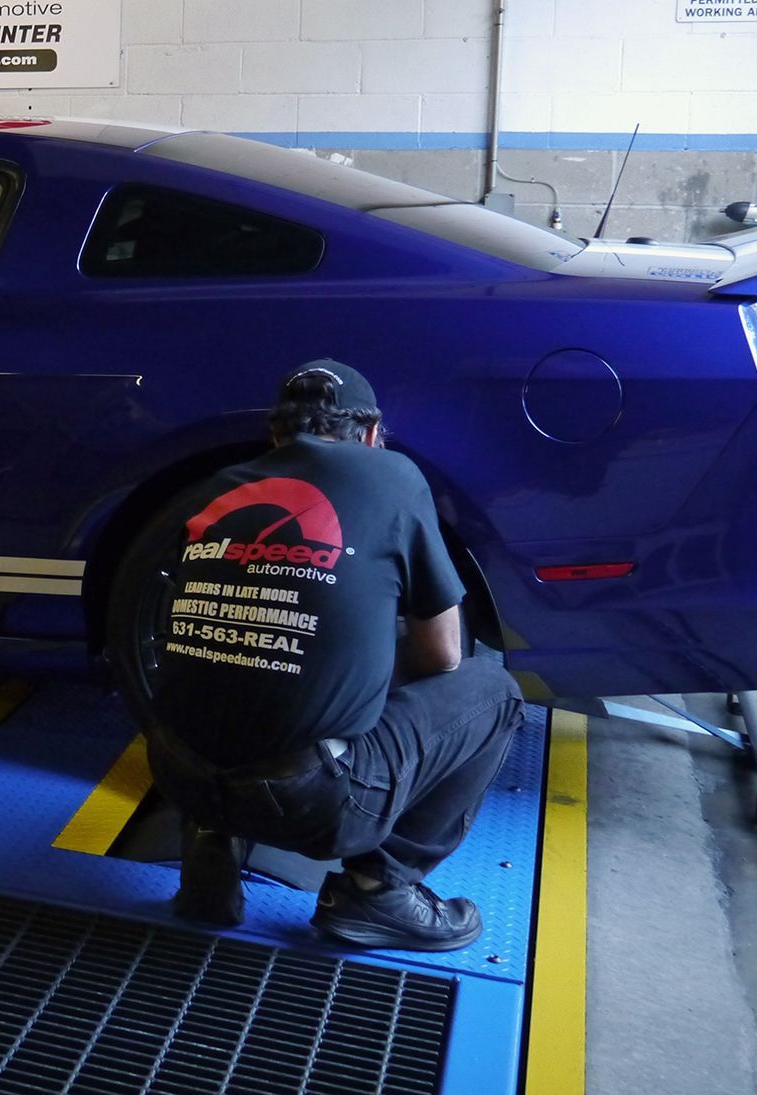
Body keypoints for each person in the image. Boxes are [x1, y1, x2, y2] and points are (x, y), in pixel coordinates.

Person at [142, 359, 523, 951]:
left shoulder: (218, 487)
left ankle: (208, 857)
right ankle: (378, 888)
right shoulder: (392, 475)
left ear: (276, 435)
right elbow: (442, 656)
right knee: (494, 692)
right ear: (370, 435)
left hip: (175, 773)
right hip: (309, 802)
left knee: (232, 653)